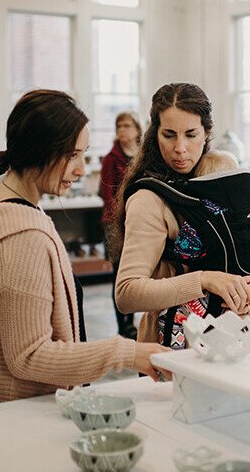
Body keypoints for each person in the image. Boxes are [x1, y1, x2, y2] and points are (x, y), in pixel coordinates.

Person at [0, 90, 171, 407]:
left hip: (6, 409)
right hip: (20, 417)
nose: (81, 169)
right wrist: (128, 352)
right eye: (72, 155)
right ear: (38, 151)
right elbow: (29, 355)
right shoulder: (22, 236)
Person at [113, 82, 250, 347]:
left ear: (207, 132)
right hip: (171, 347)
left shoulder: (218, 176)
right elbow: (126, 294)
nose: (180, 148)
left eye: (191, 135)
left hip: (233, 341)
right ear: (155, 134)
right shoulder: (149, 198)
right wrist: (204, 280)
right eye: (169, 135)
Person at [99, 112, 142, 339]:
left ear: (137, 129)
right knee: (119, 275)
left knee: (136, 274)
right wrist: (125, 216)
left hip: (139, 222)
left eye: (126, 125)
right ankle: (122, 326)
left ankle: (133, 322)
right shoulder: (110, 158)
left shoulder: (144, 156)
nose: (122, 129)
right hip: (115, 224)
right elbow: (107, 195)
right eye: (118, 125)